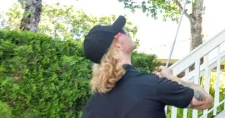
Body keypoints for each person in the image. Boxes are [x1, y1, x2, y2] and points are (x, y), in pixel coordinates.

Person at [81, 16, 214, 117]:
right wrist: (172, 78)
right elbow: (205, 100)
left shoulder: (91, 105)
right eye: (122, 31)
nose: (127, 33)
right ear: (117, 44)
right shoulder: (152, 85)